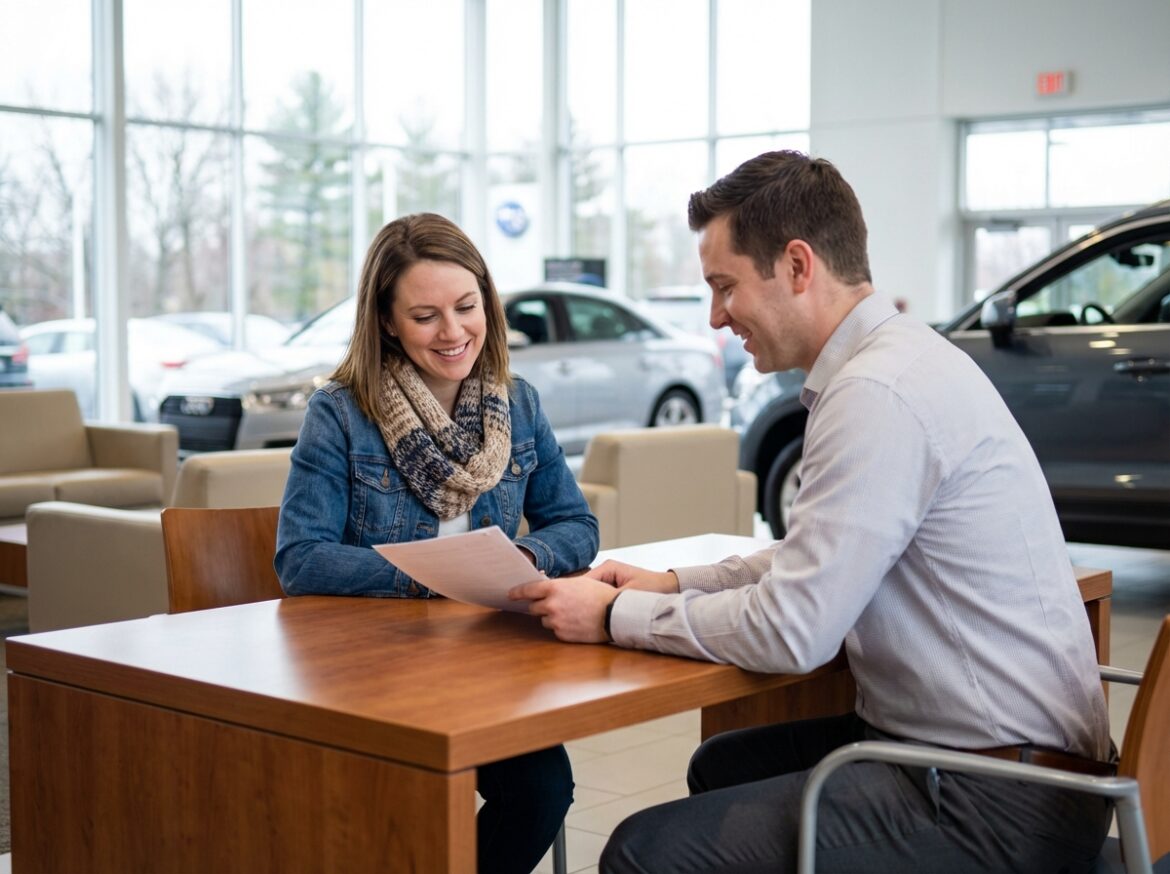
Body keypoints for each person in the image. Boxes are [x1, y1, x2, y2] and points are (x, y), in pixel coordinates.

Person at [509, 151, 1112, 872]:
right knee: (726, 765)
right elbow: (826, 553)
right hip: (1015, 765)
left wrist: (610, 618)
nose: (714, 316)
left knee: (644, 852)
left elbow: (792, 632)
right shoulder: (905, 360)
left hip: (996, 799)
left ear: (798, 266)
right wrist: (673, 584)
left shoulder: (876, 395)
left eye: (725, 286)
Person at [276, 212, 599, 874]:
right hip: (373, 670)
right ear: (387, 322)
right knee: (404, 805)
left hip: (484, 662)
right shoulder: (339, 414)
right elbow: (300, 559)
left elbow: (576, 526)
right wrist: (428, 575)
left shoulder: (521, 403)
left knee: (543, 792)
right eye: (425, 316)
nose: (453, 332)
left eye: (466, 307)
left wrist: (526, 560)